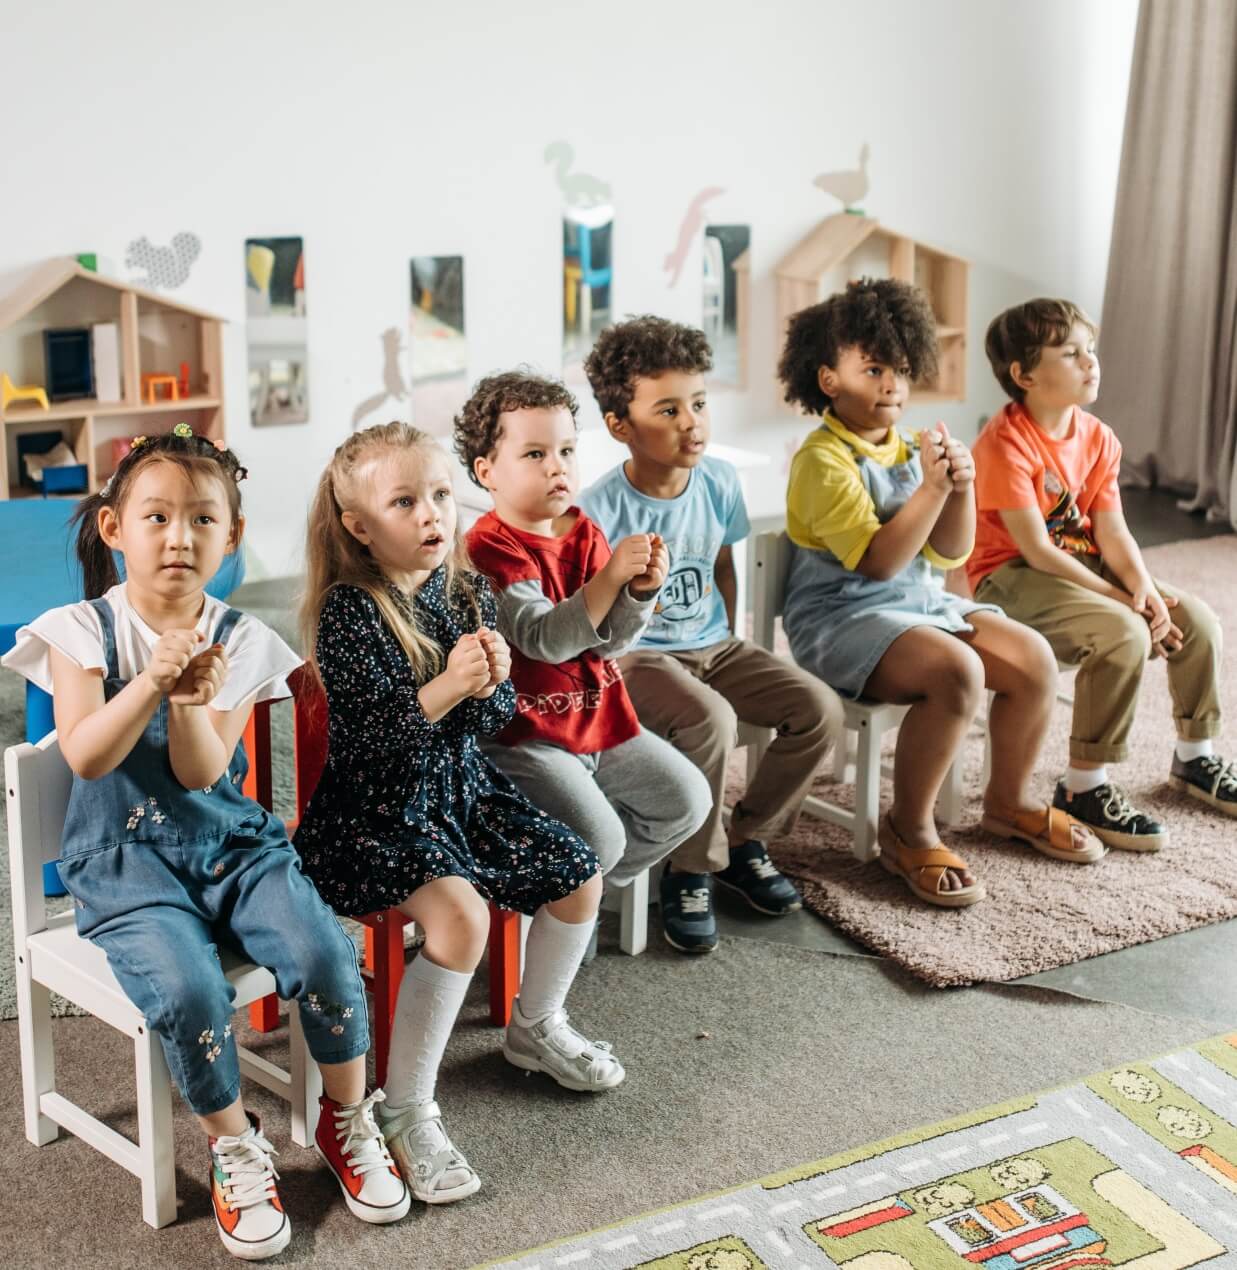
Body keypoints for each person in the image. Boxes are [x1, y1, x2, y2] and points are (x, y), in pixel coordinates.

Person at [1, 426, 409, 1260]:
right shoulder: (79, 628)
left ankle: (345, 1119)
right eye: (156, 517)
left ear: (232, 536)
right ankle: (233, 1143)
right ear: (115, 529)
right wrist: (152, 679)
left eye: (201, 520)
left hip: (232, 850)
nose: (178, 537)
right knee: (190, 994)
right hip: (125, 868)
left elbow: (197, 772)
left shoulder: (243, 636)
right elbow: (86, 753)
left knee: (326, 954)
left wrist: (189, 699)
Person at [295, 421, 624, 1210]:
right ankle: (406, 1108)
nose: (431, 514)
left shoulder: (458, 589)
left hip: (462, 794)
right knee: (461, 920)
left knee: (581, 873)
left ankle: (535, 1024)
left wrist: (493, 683)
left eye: (439, 495)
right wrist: (449, 686)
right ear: (359, 526)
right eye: (404, 501)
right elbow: (372, 743)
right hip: (374, 814)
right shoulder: (350, 611)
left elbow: (491, 719)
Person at [777, 279, 1103, 907]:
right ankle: (908, 829)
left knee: (1033, 658)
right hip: (840, 618)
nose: (891, 384)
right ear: (827, 379)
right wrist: (930, 489)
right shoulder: (821, 461)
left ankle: (1008, 804)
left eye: (899, 369)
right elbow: (878, 563)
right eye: (872, 369)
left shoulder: (908, 447)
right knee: (957, 672)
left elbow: (948, 554)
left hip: (918, 603)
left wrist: (961, 485)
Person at [579, 316, 844, 953]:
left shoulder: (720, 481)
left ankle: (746, 836)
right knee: (712, 721)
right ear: (621, 426)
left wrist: (733, 638)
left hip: (716, 643)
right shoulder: (600, 508)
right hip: (640, 655)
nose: (691, 421)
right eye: (667, 409)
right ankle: (689, 870)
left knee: (819, 710)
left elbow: (723, 565)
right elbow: (596, 615)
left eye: (698, 403)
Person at [455, 370, 712, 951]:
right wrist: (613, 578)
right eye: (535, 453)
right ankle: (570, 904)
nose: (558, 467)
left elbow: (610, 641)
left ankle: (573, 902)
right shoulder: (488, 546)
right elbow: (542, 637)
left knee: (686, 801)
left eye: (567, 451)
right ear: (487, 473)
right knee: (603, 837)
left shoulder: (585, 531)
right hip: (527, 736)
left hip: (599, 719)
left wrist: (641, 592)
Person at [970, 297, 1232, 847]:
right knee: (1122, 632)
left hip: (1079, 564)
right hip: (1010, 576)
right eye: (1070, 353)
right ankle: (1083, 784)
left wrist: (1144, 590)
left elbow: (1112, 532)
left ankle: (1195, 758)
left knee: (1199, 621)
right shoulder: (1005, 443)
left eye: (1091, 350)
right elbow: (1037, 550)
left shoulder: (1098, 438)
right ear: (1024, 375)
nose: (1091, 362)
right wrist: (1121, 601)